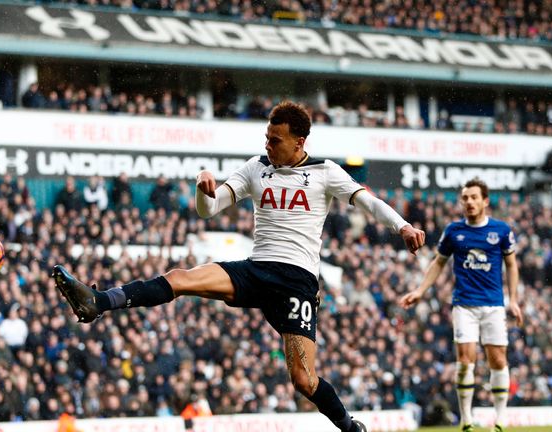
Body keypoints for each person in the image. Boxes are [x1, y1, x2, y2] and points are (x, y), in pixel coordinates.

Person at [53, 101, 426, 432]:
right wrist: (204, 190)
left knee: (304, 380)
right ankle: (98, 302)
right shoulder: (255, 168)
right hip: (255, 269)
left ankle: (348, 427)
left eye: (275, 139)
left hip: (297, 282)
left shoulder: (325, 172)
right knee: (180, 278)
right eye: (266, 137)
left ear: (299, 143)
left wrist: (403, 226)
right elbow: (210, 209)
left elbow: (368, 202)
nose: (267, 145)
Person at [399, 178, 522, 432]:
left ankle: (499, 419)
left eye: (474, 197)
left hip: (494, 305)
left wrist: (514, 300)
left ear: (485, 201)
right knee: (466, 360)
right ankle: (466, 419)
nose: (469, 202)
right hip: (464, 305)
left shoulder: (501, 230)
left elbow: (511, 265)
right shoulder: (454, 231)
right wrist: (420, 291)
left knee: (498, 360)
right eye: (465, 198)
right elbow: (438, 262)